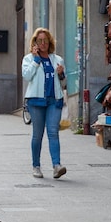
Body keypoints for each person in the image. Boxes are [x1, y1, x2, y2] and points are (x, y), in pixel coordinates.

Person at [22, 27, 67, 179]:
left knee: (53, 132)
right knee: (37, 135)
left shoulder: (57, 59)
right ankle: (36, 166)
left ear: (49, 42)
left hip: (54, 101)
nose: (43, 44)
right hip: (36, 101)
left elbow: (65, 84)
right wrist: (35, 61)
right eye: (39, 41)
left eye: (45, 41)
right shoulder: (28, 59)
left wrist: (61, 74)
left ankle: (57, 165)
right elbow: (27, 76)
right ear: (34, 43)